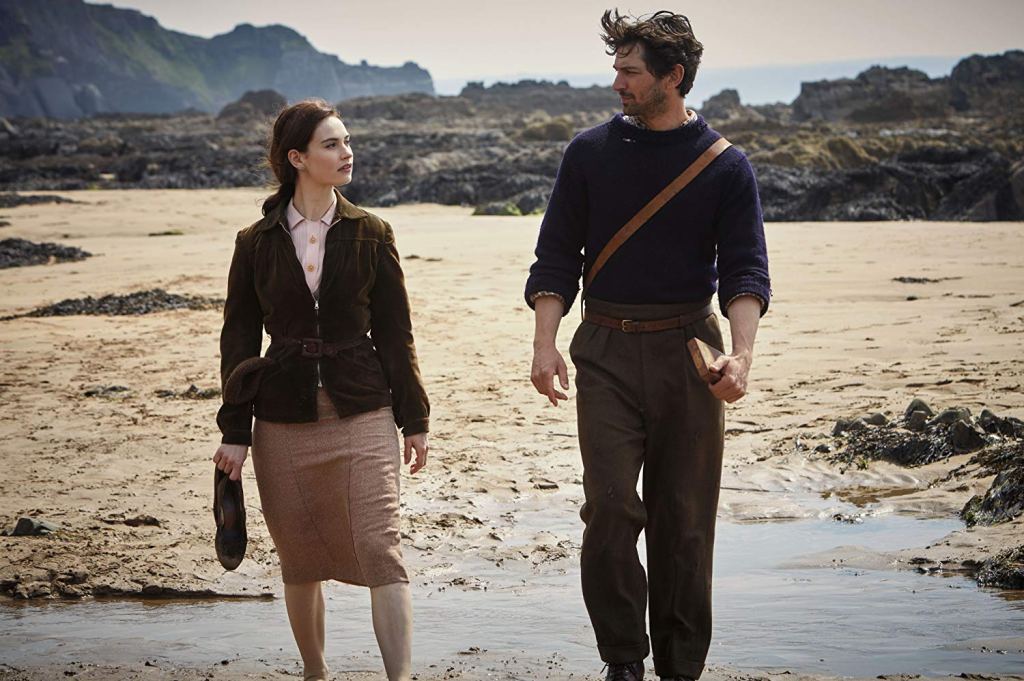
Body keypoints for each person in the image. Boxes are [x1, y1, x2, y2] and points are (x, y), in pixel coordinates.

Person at [525, 10, 771, 681]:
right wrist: (545, 344)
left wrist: (741, 356)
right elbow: (556, 258)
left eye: (630, 71)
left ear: (674, 76)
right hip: (603, 348)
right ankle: (624, 660)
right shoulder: (588, 153)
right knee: (609, 508)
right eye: (617, 69)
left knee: (684, 521)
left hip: (690, 352)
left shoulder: (726, 167)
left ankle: (681, 667)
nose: (617, 83)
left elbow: (746, 272)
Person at [212, 99, 429, 681]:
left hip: (362, 406)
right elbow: (239, 341)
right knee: (301, 558)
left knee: (381, 549)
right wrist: (235, 431)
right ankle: (315, 672)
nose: (346, 152)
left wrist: (415, 420)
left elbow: (396, 332)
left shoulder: (371, 233)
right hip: (282, 416)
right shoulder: (255, 242)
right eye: (332, 144)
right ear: (297, 158)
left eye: (347, 141)